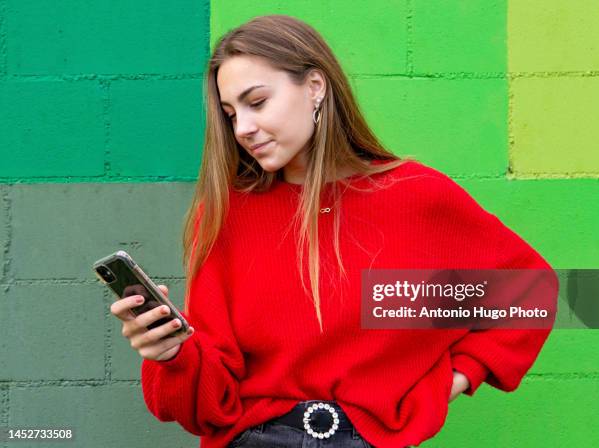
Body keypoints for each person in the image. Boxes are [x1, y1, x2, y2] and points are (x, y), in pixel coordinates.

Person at [110, 15, 557, 448]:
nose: (242, 128)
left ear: (315, 88)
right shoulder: (227, 212)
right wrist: (170, 353)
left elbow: (532, 292)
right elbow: (209, 400)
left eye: (257, 102)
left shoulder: (415, 196)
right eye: (230, 113)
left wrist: (446, 385)